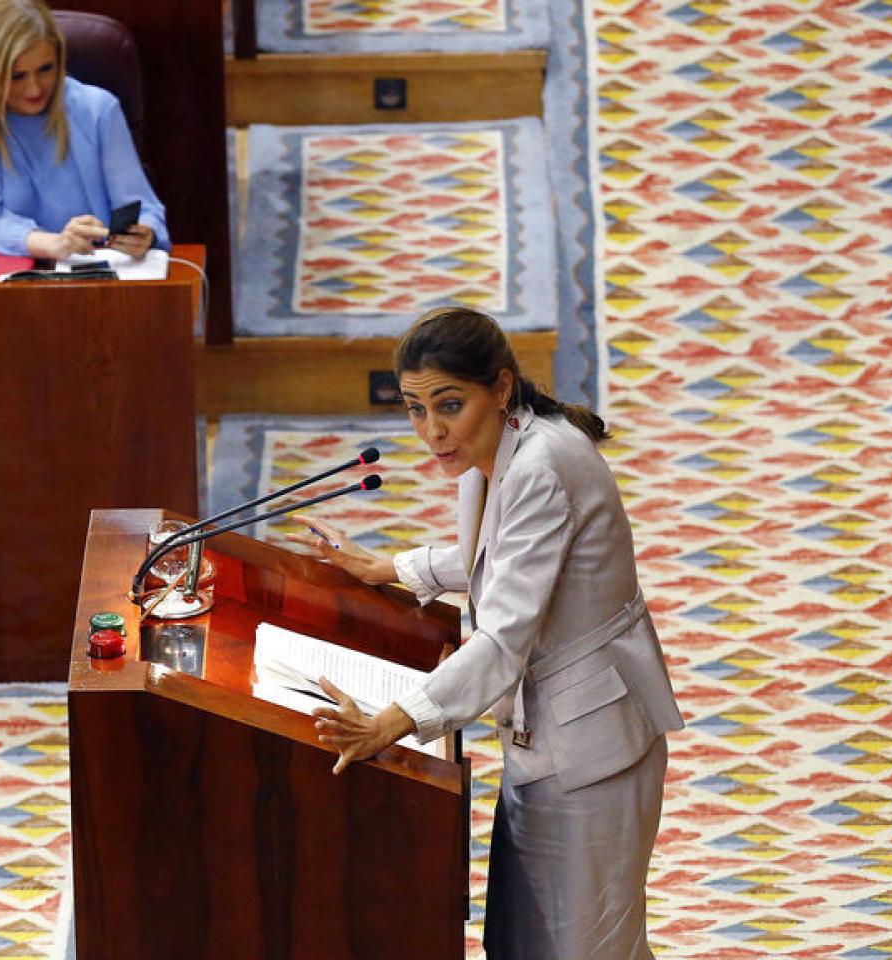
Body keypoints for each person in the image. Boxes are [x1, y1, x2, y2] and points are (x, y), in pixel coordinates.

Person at [287, 306, 684, 960]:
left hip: (593, 750)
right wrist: (390, 567)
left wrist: (395, 720)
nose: (432, 432)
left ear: (500, 389)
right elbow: (499, 555)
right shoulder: (497, 447)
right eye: (415, 410)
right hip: (547, 737)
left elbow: (502, 640)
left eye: (448, 405)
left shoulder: (540, 465)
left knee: (590, 951)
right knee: (526, 942)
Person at [0, 0, 167, 260]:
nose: (34, 89)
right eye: (16, 76)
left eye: (45, 69)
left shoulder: (98, 109)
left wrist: (146, 232)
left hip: (89, 268)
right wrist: (54, 244)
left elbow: (142, 208)